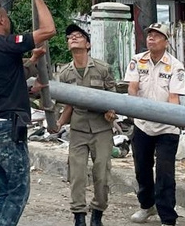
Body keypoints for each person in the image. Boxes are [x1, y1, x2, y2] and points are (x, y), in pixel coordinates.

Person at [0, 0, 56, 226]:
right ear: (1, 20)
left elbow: (5, 78)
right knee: (19, 190)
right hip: (7, 127)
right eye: (7, 18)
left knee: (4, 187)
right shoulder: (6, 44)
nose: (9, 21)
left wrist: (31, 65)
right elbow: (48, 30)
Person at [52, 23, 117, 226]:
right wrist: (58, 124)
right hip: (78, 130)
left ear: (88, 44)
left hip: (101, 129)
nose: (73, 38)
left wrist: (111, 112)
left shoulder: (102, 69)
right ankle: (79, 216)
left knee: (102, 175)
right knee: (77, 175)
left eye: (78, 36)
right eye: (70, 36)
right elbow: (67, 105)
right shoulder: (65, 74)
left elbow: (113, 99)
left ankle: (97, 212)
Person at [125, 23, 185, 226]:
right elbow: (132, 88)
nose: (151, 38)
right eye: (149, 35)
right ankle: (146, 206)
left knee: (164, 173)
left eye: (157, 36)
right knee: (142, 169)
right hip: (142, 124)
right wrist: (133, 114)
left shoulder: (175, 66)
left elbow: (174, 98)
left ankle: (168, 218)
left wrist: (172, 120)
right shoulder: (137, 60)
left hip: (167, 128)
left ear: (166, 42)